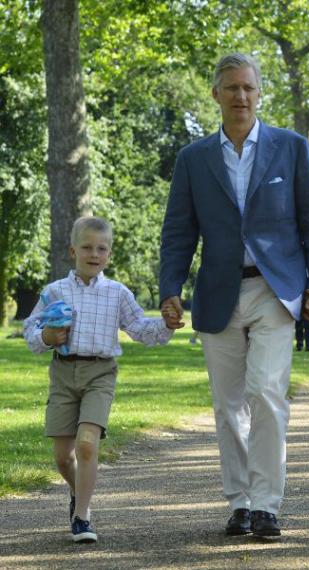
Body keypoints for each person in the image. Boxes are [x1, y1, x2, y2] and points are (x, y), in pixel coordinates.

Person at [159, 53, 309, 538]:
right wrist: (169, 288)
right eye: (231, 88)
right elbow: (178, 232)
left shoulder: (291, 148)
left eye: (249, 88)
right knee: (227, 403)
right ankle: (239, 501)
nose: (241, 97)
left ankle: (267, 505)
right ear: (215, 94)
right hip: (218, 291)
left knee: (266, 393)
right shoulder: (194, 158)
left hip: (275, 290)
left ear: (259, 93)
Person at [24, 216, 175, 543]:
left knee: (88, 444)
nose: (94, 254)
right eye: (87, 247)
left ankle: (82, 518)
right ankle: (79, 493)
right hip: (63, 374)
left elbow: (140, 329)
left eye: (101, 248)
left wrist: (167, 325)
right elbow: (31, 332)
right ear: (73, 250)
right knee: (63, 458)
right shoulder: (54, 291)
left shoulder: (117, 293)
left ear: (109, 253)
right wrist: (47, 336)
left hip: (100, 372)